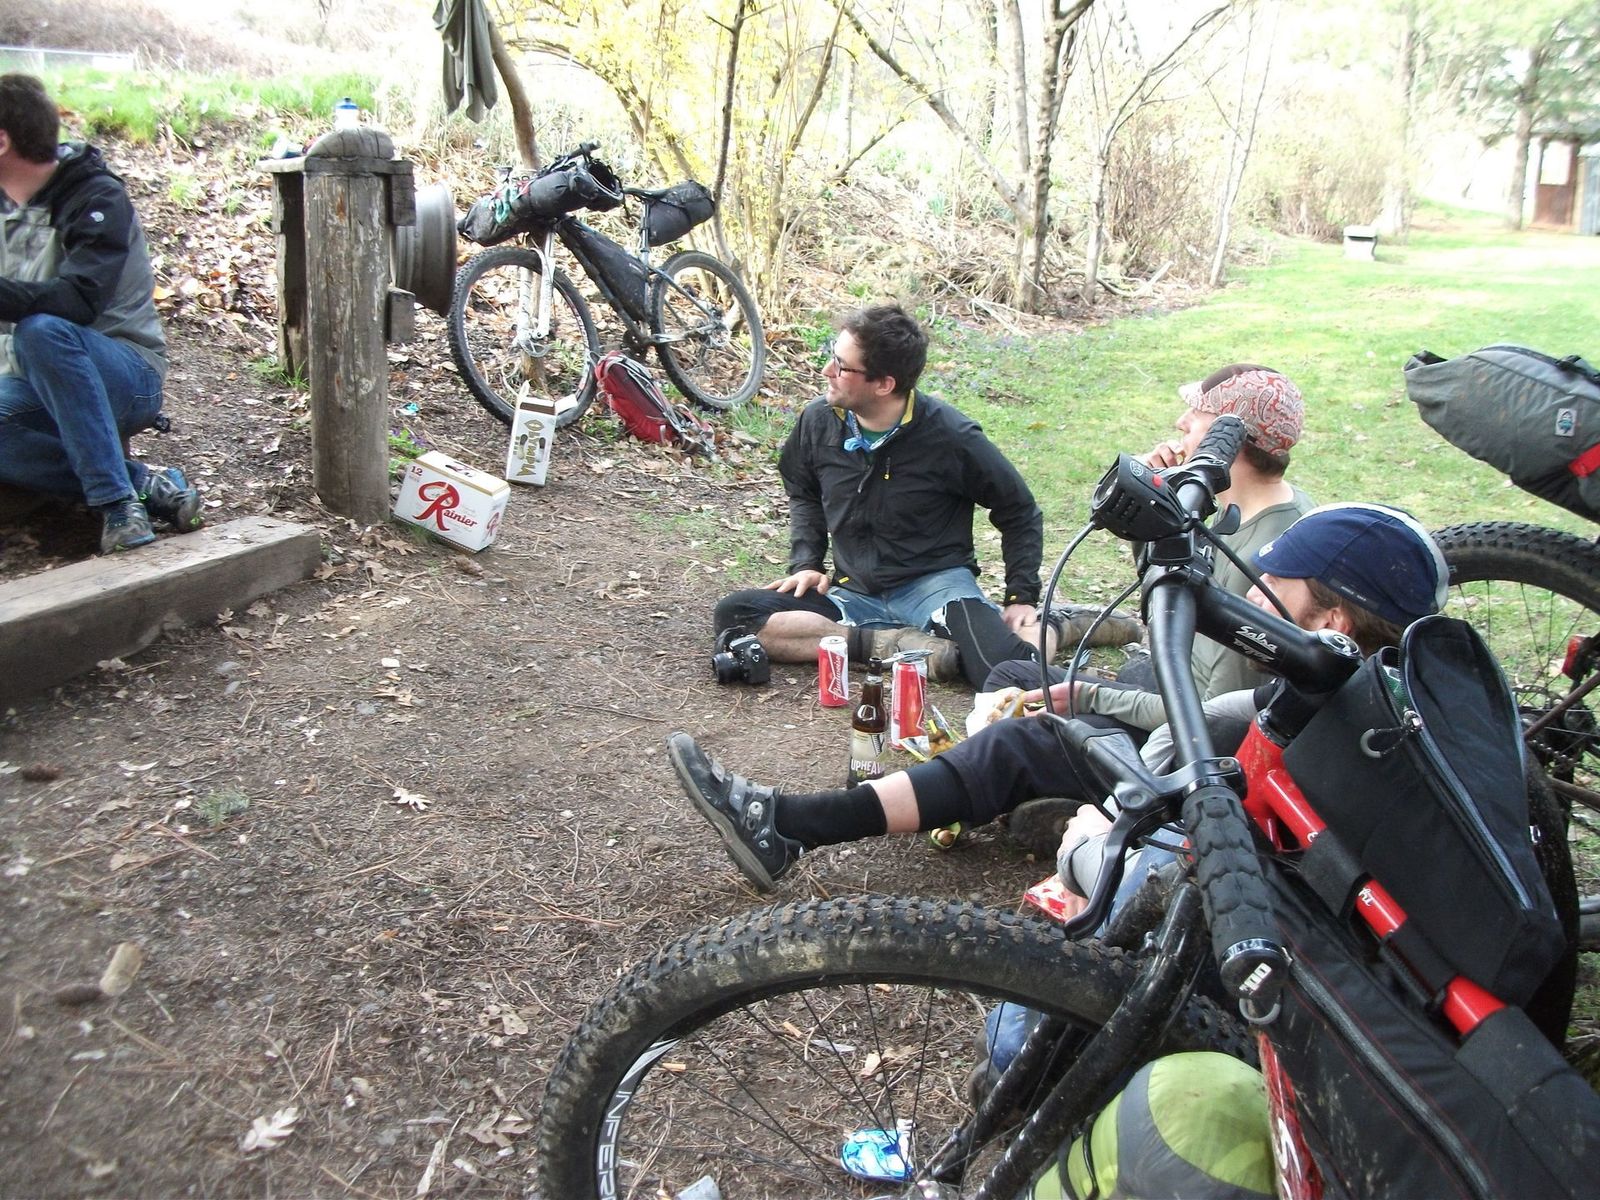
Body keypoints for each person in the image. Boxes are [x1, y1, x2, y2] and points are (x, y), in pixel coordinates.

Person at [667, 503, 1448, 893]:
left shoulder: (1323, 710)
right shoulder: (1369, 690)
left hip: (1202, 803)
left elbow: (1197, 727)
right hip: (1179, 739)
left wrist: (1108, 801)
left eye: (1278, 583)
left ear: (1334, 622)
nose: (1257, 590)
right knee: (1025, 706)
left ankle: (792, 826)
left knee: (1027, 738)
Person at [711, 304, 1133, 689]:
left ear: (884, 384)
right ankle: (890, 644)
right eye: (832, 356)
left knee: (1002, 670)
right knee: (737, 615)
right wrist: (806, 561)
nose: (826, 370)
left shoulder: (952, 436)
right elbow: (803, 489)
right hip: (851, 591)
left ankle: (1054, 624)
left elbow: (1018, 509)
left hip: (936, 589)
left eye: (841, 365)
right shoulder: (818, 421)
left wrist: (1021, 595)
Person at [986, 362, 1314, 731]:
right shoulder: (1246, 503)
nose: (1181, 422)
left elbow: (1215, 718)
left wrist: (1091, 696)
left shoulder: (1260, 561)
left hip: (1182, 727)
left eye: (1198, 413)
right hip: (1174, 674)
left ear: (1230, 439)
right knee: (1012, 676)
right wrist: (1157, 504)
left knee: (1022, 725)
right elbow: (1162, 600)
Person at [0, 72, 202, 555]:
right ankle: (144, 484)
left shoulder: (95, 197)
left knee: (42, 331)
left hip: (125, 373)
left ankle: (117, 504)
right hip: (30, 379)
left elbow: (77, 303)